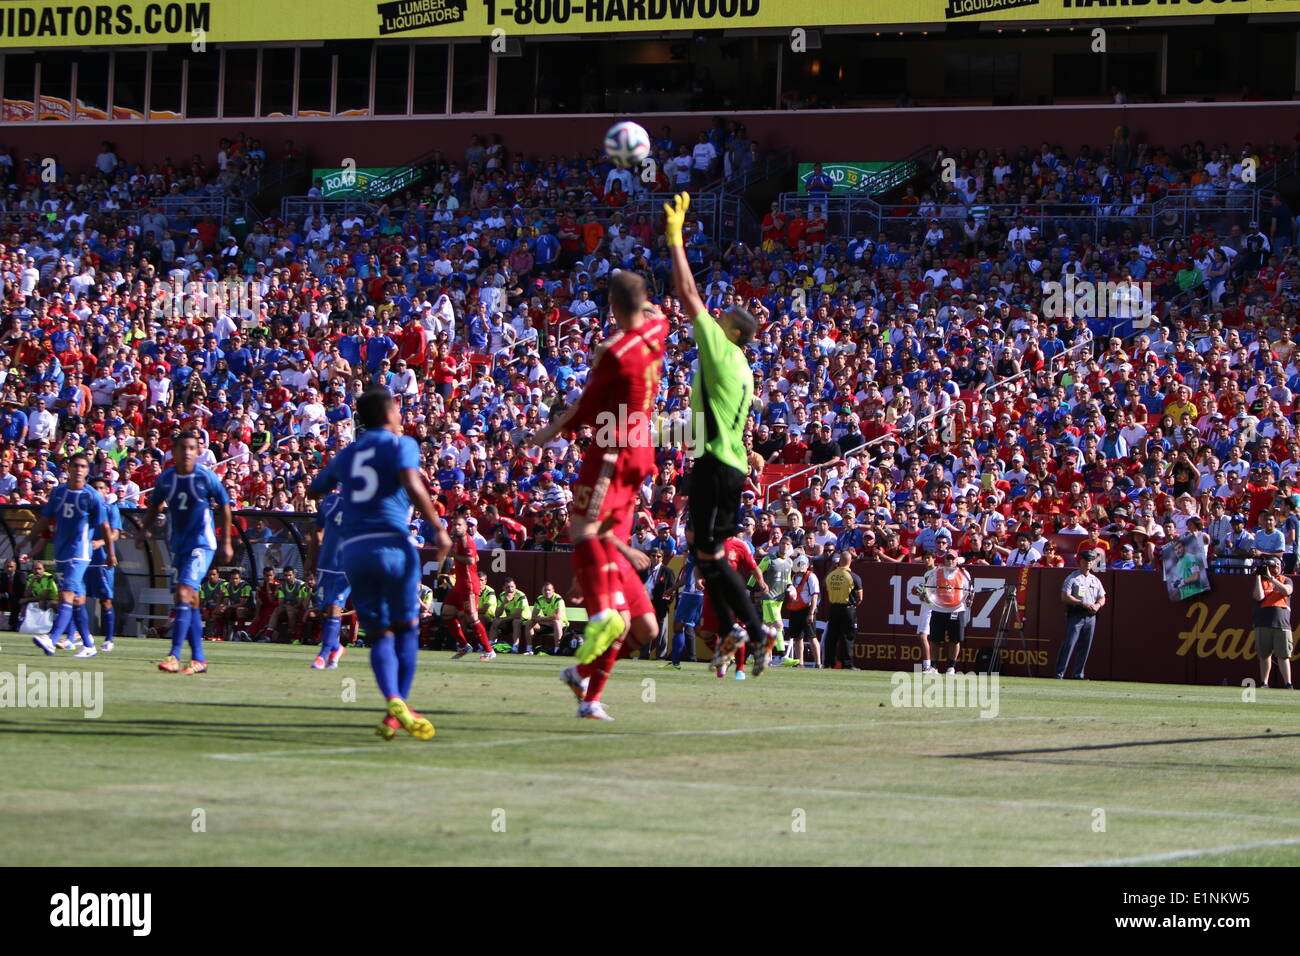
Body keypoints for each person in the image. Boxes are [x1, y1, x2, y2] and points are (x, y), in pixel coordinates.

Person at [528, 270, 668, 719]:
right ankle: (589, 695)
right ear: (644, 301)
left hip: (624, 462)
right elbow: (658, 311)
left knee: (645, 628)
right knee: (620, 620)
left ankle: (583, 674)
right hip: (621, 461)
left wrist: (548, 431)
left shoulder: (611, 351)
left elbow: (586, 407)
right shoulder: (657, 329)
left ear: (610, 308)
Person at [663, 191, 778, 675]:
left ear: (732, 331)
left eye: (724, 315)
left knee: (707, 552)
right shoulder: (746, 367)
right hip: (726, 465)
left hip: (713, 462)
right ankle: (736, 627)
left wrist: (675, 239)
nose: (718, 313)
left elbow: (688, 296)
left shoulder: (722, 348)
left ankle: (755, 629)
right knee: (704, 554)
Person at [308, 388, 451, 741]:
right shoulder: (401, 444)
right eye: (398, 410)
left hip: (355, 552)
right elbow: (411, 482)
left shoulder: (348, 453)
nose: (402, 416)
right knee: (406, 629)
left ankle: (392, 704)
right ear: (389, 413)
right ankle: (397, 705)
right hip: (393, 544)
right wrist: (437, 527)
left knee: (380, 633)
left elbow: (315, 489)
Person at [139, 432, 234, 674]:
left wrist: (227, 541)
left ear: (198, 451)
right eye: (183, 447)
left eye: (192, 447)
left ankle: (174, 655)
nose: (188, 452)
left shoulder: (205, 476)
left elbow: (224, 505)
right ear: (174, 450)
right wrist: (144, 531)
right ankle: (199, 659)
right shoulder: (167, 478)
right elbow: (154, 505)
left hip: (202, 543)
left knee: (183, 593)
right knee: (190, 599)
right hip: (178, 545)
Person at [24, 453, 116, 657]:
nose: (78, 469)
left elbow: (106, 526)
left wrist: (110, 554)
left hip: (80, 552)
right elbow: (45, 519)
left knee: (66, 592)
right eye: (75, 465)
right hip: (62, 552)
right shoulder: (58, 492)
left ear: (87, 469)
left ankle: (53, 638)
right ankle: (89, 645)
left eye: (83, 466)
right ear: (69, 468)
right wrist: (25, 540)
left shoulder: (91, 495)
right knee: (77, 600)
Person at [308, 489, 349, 670]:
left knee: (334, 605)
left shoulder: (368, 504)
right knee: (323, 609)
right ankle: (336, 647)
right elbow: (318, 530)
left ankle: (322, 656)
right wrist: (310, 561)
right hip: (326, 563)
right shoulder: (329, 501)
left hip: (349, 563)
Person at [444, 514, 494, 660]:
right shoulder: (457, 540)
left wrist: (455, 555)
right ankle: (464, 645)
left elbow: (471, 559)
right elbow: (476, 557)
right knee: (447, 613)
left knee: (472, 618)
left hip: (469, 585)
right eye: (454, 525)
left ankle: (489, 650)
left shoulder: (466, 540)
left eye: (459, 525)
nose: (456, 527)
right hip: (459, 584)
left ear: (465, 527)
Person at [1056, 549, 1106, 680]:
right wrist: (1081, 602)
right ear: (1081, 561)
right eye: (1086, 560)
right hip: (1077, 614)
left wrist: (1097, 605)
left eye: (1091, 561)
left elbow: (1102, 597)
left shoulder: (1095, 580)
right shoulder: (1073, 577)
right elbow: (1064, 596)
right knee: (1069, 644)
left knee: (1085, 646)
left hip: (1091, 616)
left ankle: (1078, 674)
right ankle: (1059, 673)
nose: (1089, 563)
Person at [921, 550, 972, 674]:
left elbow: (969, 590)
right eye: (948, 558)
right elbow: (928, 589)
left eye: (952, 559)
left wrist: (970, 599)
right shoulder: (935, 573)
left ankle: (951, 667)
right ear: (944, 559)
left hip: (956, 609)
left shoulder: (964, 573)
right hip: (938, 609)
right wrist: (926, 596)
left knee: (955, 639)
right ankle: (933, 666)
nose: (950, 561)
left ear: (956, 560)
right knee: (935, 639)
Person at [86, 475, 122, 651]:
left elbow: (115, 534)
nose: (98, 491)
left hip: (102, 560)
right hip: (83, 560)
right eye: (95, 488)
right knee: (76, 598)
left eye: (101, 488)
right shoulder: (84, 510)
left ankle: (108, 639)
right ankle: (80, 635)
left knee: (105, 600)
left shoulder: (110, 509)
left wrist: (100, 543)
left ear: (107, 491)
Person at [1251, 554, 1293, 689]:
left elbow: (1286, 591)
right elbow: (1258, 597)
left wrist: (1272, 579)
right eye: (1273, 566)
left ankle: (1288, 683)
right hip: (1263, 622)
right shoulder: (1262, 581)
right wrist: (1259, 576)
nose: (1275, 568)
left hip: (1282, 623)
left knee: (1283, 655)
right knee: (1264, 655)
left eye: (1278, 565)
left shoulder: (1286, 580)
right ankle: (1264, 682)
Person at [823, 549, 863, 670]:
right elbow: (860, 598)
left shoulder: (830, 575)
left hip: (834, 607)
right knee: (847, 637)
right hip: (848, 609)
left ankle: (828, 663)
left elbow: (824, 585)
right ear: (850, 561)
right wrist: (854, 606)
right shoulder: (854, 577)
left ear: (839, 561)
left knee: (831, 637)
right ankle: (848, 664)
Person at [665, 556, 702, 669]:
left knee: (679, 626)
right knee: (705, 632)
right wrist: (672, 589)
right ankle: (727, 658)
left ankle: (675, 663)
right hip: (702, 596)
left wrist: (698, 581)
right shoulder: (709, 553)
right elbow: (687, 577)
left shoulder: (696, 554)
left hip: (692, 595)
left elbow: (697, 570)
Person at [786, 553, 821, 668]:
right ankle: (800, 662)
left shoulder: (811, 577)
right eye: (799, 563)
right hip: (795, 610)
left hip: (807, 609)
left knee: (812, 636)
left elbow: (815, 596)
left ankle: (818, 663)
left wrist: (811, 612)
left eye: (803, 563)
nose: (800, 566)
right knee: (797, 637)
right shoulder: (794, 577)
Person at [490, 578, 531, 650]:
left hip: (524, 621)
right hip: (510, 620)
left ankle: (515, 646)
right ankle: (490, 644)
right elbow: (497, 614)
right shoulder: (502, 596)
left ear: (515, 586)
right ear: (503, 588)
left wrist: (503, 619)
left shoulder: (521, 596)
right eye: (507, 587)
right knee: (496, 620)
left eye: (512, 587)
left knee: (516, 621)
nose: (510, 589)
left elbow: (518, 615)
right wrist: (504, 603)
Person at [527, 581, 567, 655]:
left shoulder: (558, 599)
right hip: (547, 623)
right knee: (529, 622)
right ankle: (529, 649)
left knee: (556, 622)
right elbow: (533, 616)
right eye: (545, 590)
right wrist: (542, 620)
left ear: (553, 591)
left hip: (561, 624)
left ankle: (557, 650)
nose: (547, 592)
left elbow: (557, 617)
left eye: (549, 590)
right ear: (542, 591)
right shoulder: (539, 599)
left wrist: (541, 618)